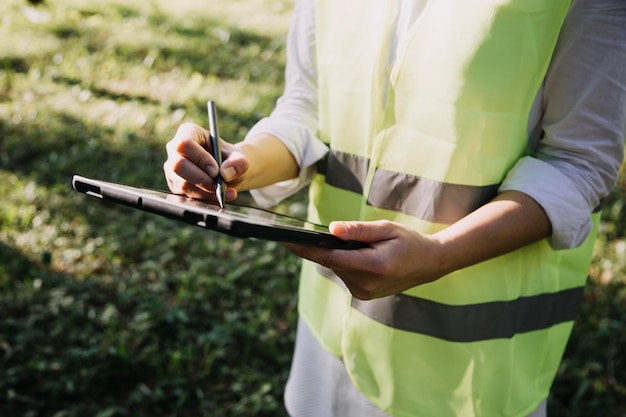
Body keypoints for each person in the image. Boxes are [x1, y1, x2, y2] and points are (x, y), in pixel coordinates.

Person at [163, 0, 626, 415]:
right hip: (328, 343)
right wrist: (239, 164)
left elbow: (577, 164)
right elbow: (306, 109)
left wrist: (439, 253)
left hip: (467, 374)